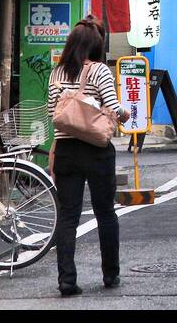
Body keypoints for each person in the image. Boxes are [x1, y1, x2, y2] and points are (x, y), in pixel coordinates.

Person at [48, 20, 130, 297]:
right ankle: (111, 274)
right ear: (96, 46)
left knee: (68, 216)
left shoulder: (56, 72)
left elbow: (52, 113)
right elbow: (114, 108)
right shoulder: (99, 71)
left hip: (66, 150)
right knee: (105, 212)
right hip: (96, 149)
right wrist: (125, 114)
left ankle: (66, 280)